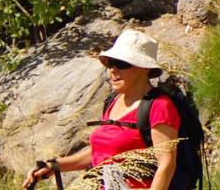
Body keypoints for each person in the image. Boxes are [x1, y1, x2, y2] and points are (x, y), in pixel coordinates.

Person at [27, 30, 183, 190]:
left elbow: (166, 165)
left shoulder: (159, 106)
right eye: (111, 63)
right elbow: (100, 153)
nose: (113, 70)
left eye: (122, 64)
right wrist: (55, 166)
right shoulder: (113, 101)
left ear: (145, 68)